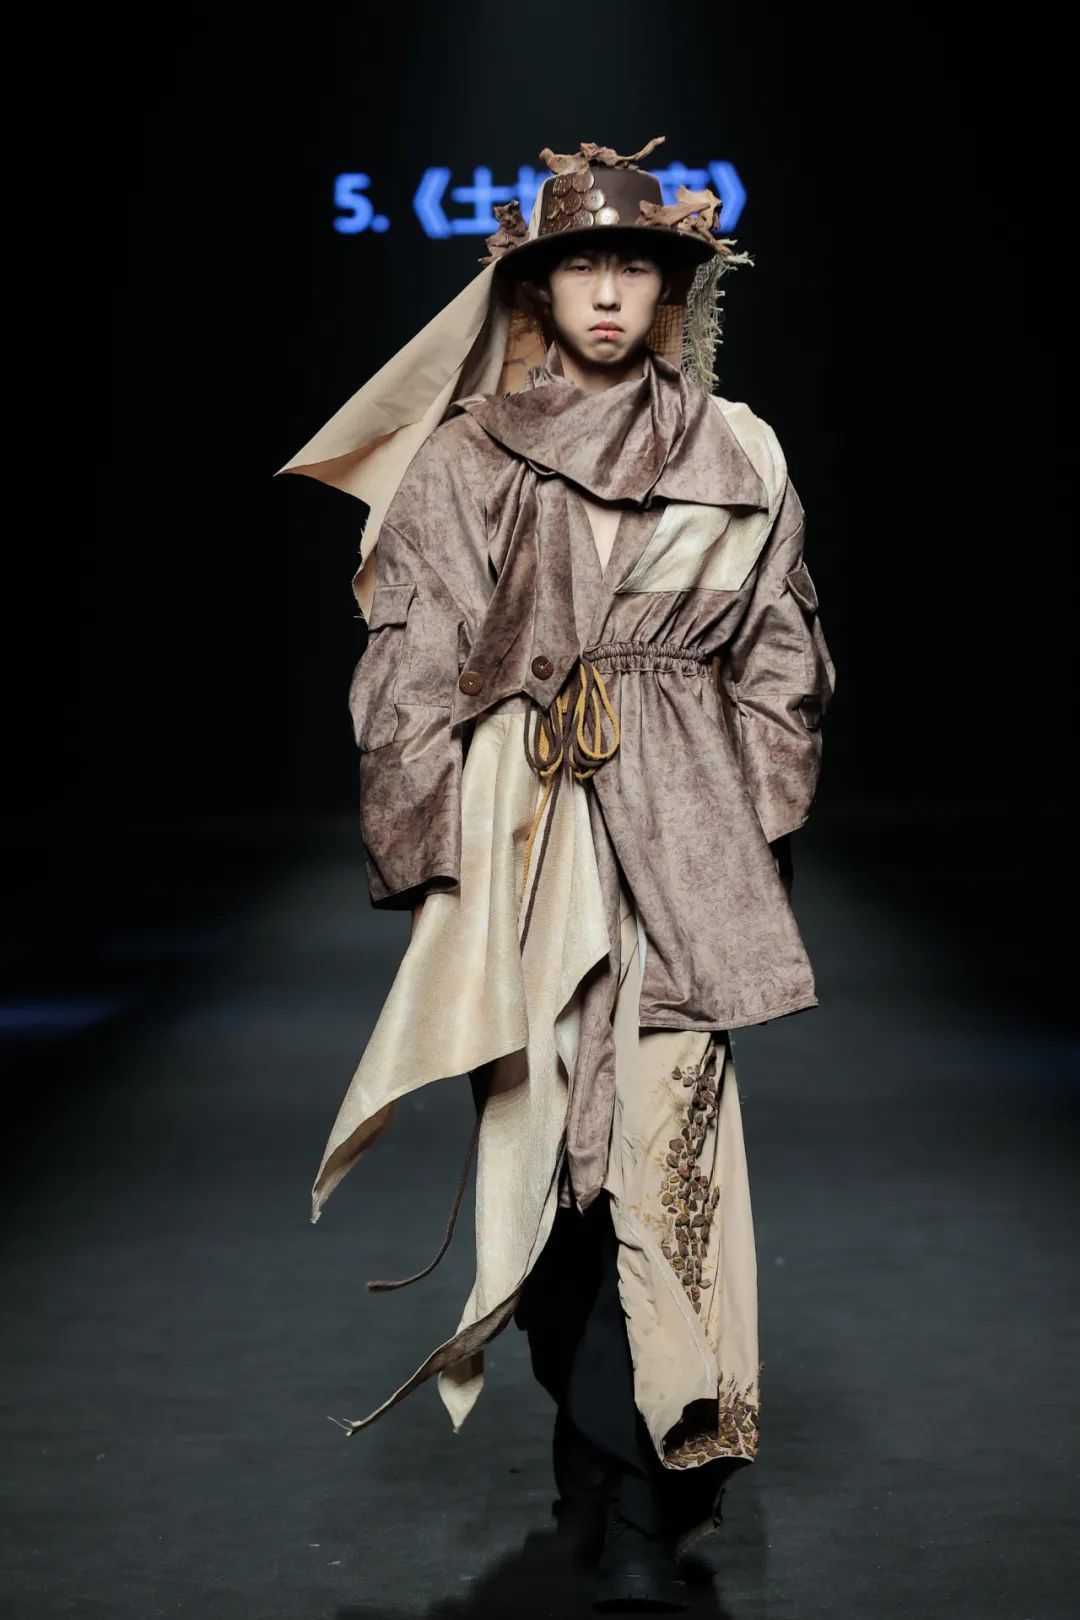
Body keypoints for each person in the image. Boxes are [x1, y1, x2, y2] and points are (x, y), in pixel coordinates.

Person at [278, 135, 835, 1612]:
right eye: (581, 264)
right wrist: (434, 859)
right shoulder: (468, 457)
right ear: (535, 287)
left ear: (671, 291)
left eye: (634, 267)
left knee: (666, 1155)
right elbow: (407, 670)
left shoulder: (744, 449)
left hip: (686, 839)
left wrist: (747, 823)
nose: (606, 292)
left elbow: (783, 654)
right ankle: (592, 1454)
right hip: (521, 835)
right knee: (547, 1169)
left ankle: (652, 1490)